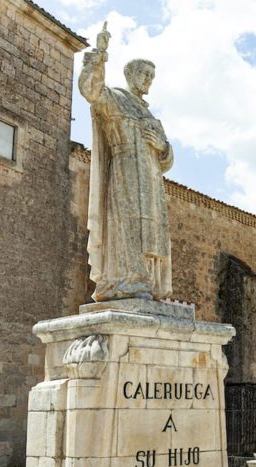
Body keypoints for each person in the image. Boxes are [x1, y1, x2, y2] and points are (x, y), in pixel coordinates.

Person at [79, 23, 173, 302]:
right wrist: (99, 53)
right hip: (123, 172)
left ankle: (147, 281)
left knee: (150, 233)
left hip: (152, 183)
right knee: (126, 226)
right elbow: (91, 90)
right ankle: (125, 281)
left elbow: (166, 161)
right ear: (130, 74)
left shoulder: (152, 118)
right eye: (143, 73)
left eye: (151, 76)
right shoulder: (116, 99)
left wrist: (163, 147)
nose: (147, 80)